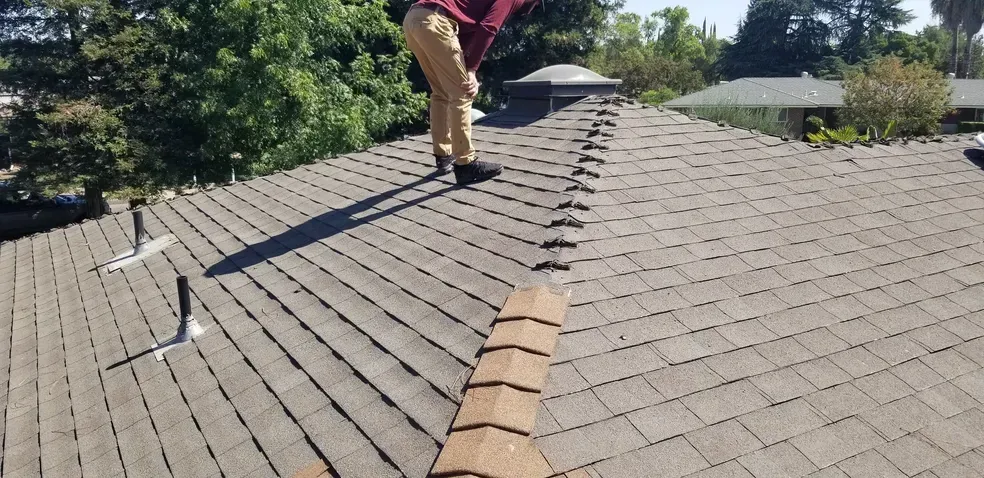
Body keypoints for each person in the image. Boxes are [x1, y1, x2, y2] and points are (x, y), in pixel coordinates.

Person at [403, 0, 542, 185]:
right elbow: (488, 28)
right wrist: (471, 70)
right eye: (536, 5)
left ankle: (444, 155)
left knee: (441, 93)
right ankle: (465, 164)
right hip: (435, 21)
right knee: (463, 91)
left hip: (414, 19)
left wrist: (465, 63)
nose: (530, 10)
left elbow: (466, 33)